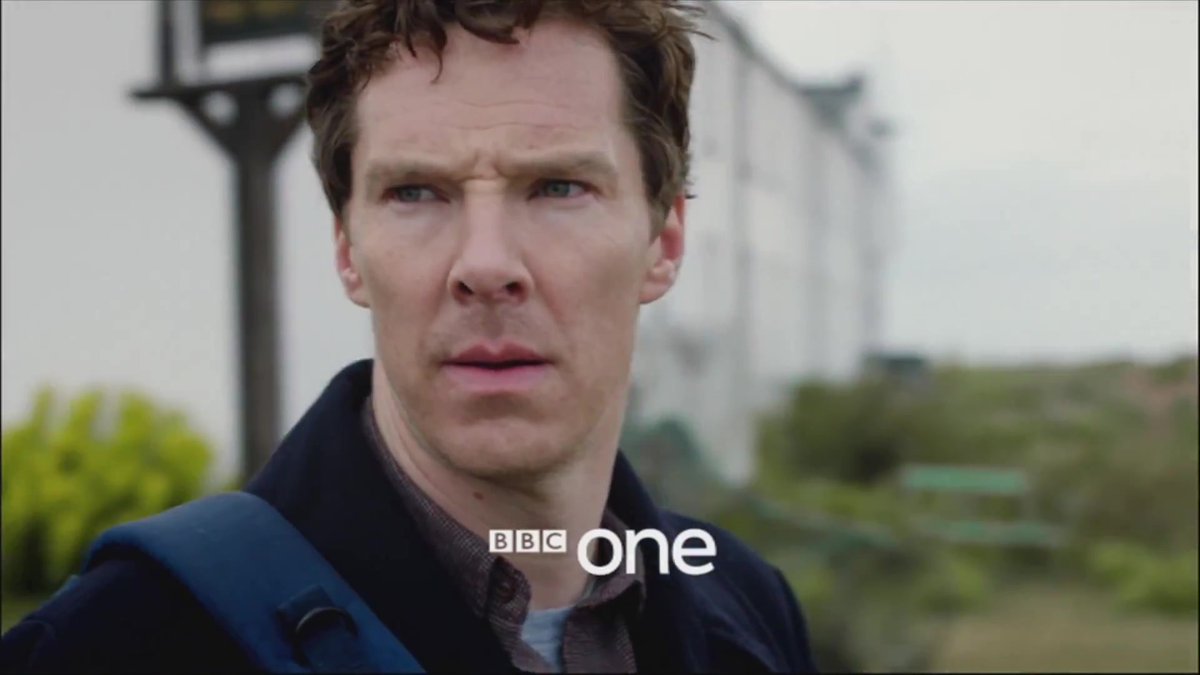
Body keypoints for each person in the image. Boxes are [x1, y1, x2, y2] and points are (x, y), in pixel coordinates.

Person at [0, 0, 817, 672]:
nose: (486, 265)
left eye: (558, 186)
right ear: (347, 250)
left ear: (663, 240)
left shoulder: (746, 600)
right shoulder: (119, 642)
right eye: (417, 192)